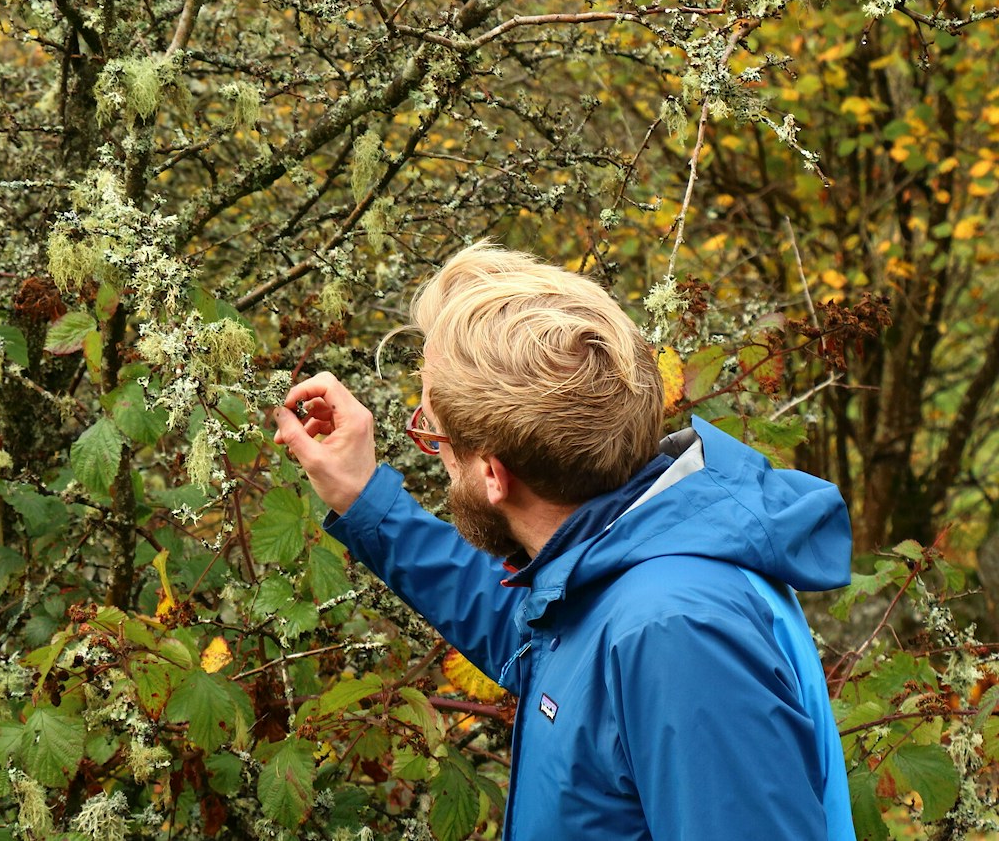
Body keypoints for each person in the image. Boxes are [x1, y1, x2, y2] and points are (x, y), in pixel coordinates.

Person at [271, 243, 854, 841]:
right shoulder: (622, 565)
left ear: (494, 475)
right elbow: (534, 634)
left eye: (432, 435)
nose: (436, 450)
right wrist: (365, 498)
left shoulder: (675, 634)